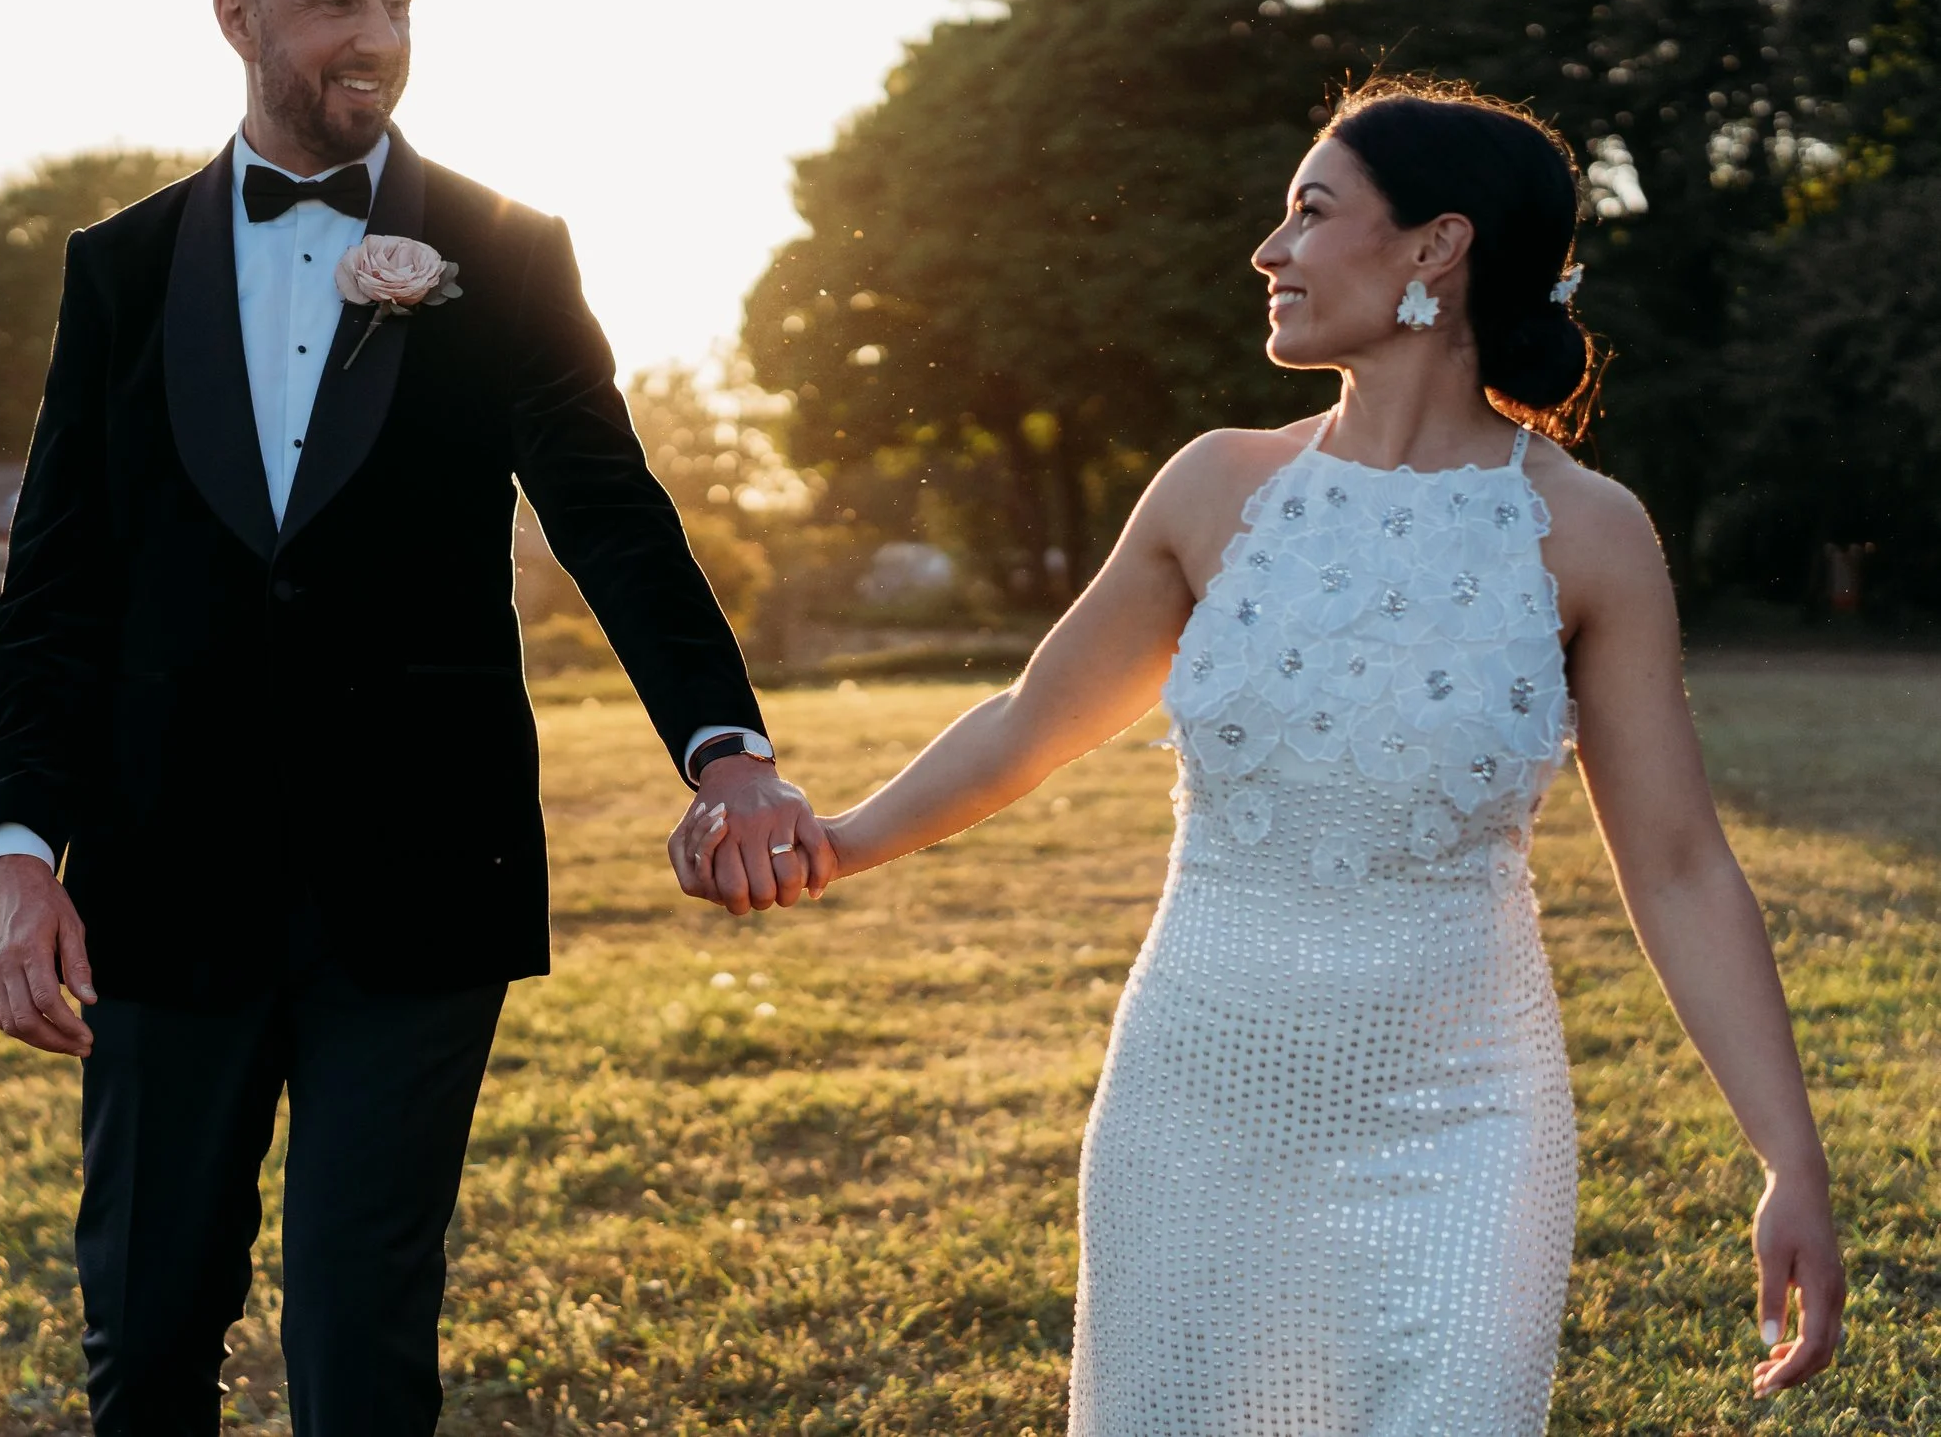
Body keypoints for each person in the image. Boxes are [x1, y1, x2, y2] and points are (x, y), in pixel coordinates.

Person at [676, 78, 1844, 1432]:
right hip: (1196, 1107)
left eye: (1310, 210)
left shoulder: (1588, 532)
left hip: (1466, 1116)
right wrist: (834, 844)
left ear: (1434, 248)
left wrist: (1788, 1155)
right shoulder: (1217, 486)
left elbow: (1683, 864)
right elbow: (1025, 723)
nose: (1267, 250)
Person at [0, 0, 830, 1436]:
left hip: (423, 867)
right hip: (160, 879)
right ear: (237, 18)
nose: (380, 34)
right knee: (147, 1330)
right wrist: (19, 848)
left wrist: (729, 746)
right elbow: (56, 585)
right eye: (337, 1)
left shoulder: (504, 249)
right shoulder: (121, 267)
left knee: (366, 1340)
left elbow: (613, 515)